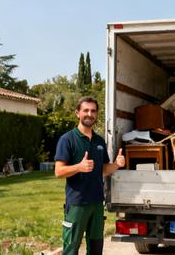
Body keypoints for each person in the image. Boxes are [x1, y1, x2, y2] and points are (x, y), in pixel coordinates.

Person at [54, 96, 126, 255]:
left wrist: (116, 165)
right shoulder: (67, 139)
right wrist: (79, 167)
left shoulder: (99, 141)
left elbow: (104, 170)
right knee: (71, 249)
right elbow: (58, 171)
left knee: (95, 249)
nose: (89, 114)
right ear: (77, 113)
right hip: (77, 204)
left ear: (96, 114)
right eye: (85, 110)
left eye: (93, 111)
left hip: (96, 204)